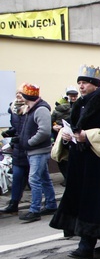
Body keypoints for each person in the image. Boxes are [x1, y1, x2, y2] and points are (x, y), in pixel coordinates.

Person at [51, 65, 100, 259]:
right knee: (86, 201)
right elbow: (75, 127)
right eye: (79, 83)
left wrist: (87, 135)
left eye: (85, 83)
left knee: (97, 202)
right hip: (83, 161)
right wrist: (67, 136)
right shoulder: (79, 104)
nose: (81, 86)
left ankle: (88, 244)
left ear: (95, 85)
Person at [17, 83, 57, 222]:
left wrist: (29, 142)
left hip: (38, 151)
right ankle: (51, 204)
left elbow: (44, 131)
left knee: (34, 179)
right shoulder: (30, 108)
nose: (19, 96)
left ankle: (34, 210)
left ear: (26, 95)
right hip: (34, 150)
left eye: (21, 94)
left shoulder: (40, 109)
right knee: (44, 178)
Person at [0, 86, 29, 216]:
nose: (18, 95)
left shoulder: (31, 109)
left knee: (37, 179)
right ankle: (14, 203)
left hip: (30, 149)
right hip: (18, 149)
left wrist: (17, 138)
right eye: (17, 93)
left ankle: (47, 203)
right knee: (17, 177)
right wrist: (9, 132)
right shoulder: (13, 109)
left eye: (21, 94)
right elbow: (16, 128)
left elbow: (28, 129)